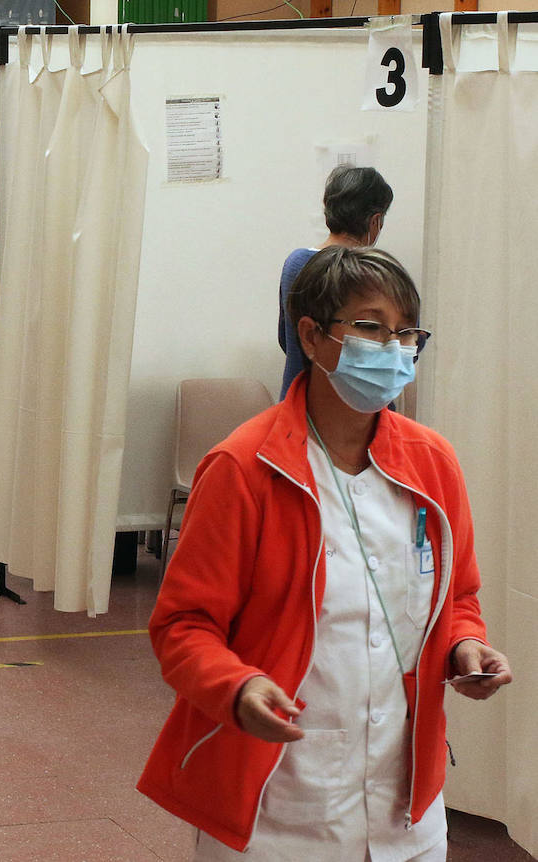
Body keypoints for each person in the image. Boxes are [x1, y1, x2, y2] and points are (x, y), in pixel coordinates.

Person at [139, 246, 513, 861]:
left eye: (404, 333)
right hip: (278, 810)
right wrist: (236, 687)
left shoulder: (432, 464)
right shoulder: (244, 467)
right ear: (310, 336)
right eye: (369, 327)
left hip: (406, 811)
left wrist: (464, 646)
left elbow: (458, 596)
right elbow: (183, 626)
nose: (391, 348)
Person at [279, 164, 392, 399]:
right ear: (375, 221)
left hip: (299, 405)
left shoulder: (296, 263)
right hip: (356, 410)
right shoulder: (374, 273)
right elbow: (402, 347)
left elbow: (285, 338)